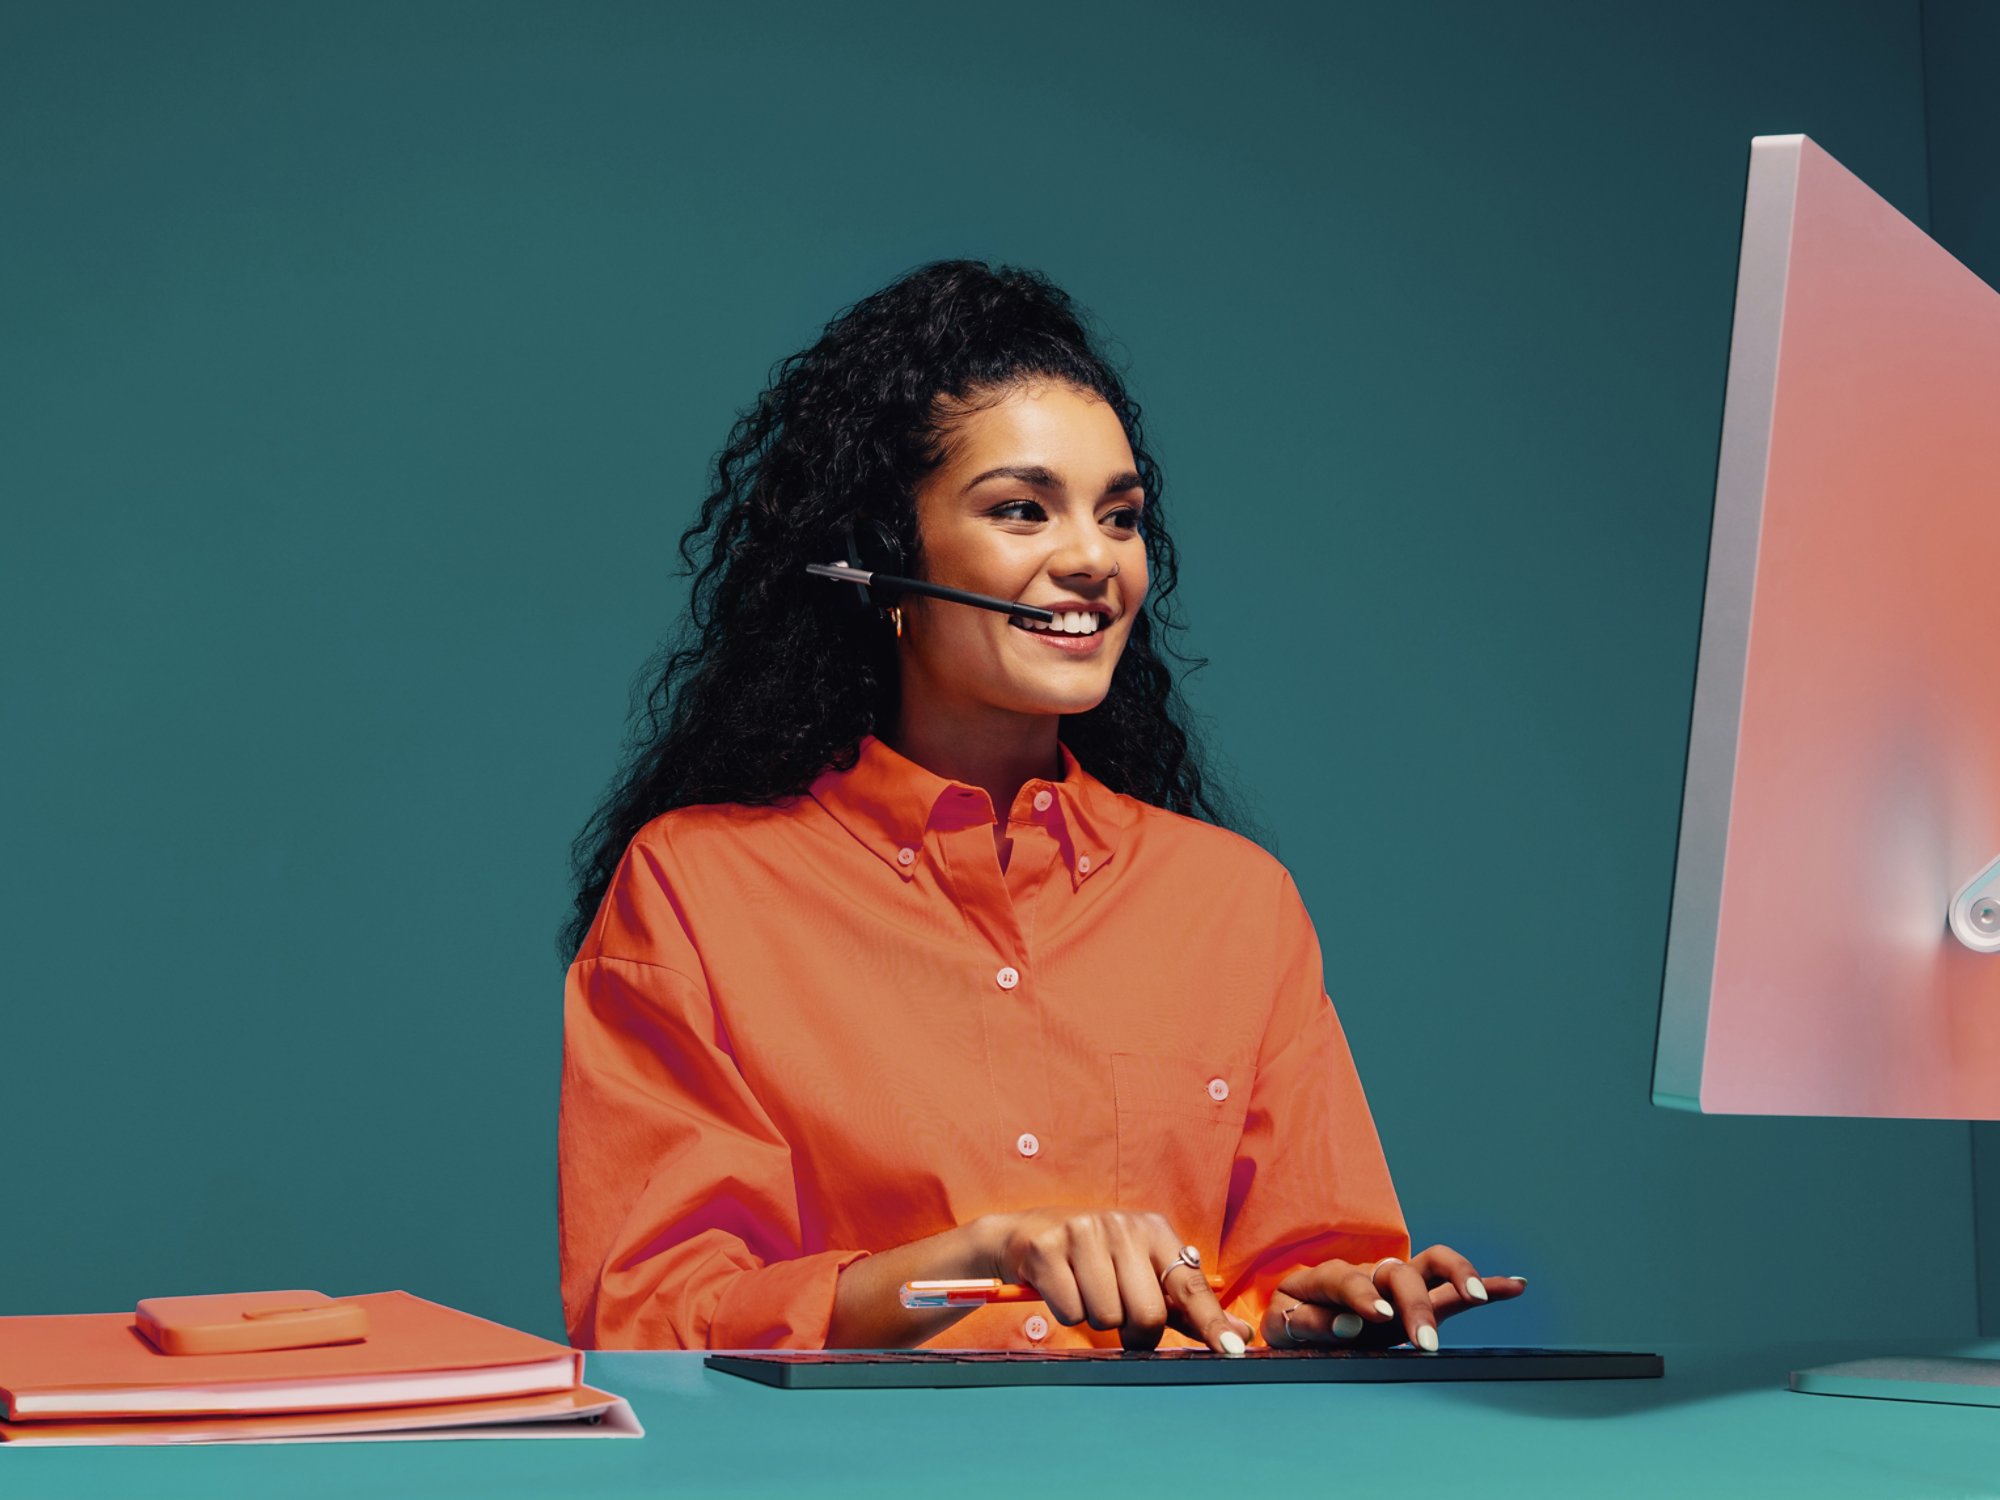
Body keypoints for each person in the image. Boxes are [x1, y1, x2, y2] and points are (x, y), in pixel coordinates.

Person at [557, 260, 1525, 1354]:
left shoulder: (1236, 903)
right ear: (880, 561)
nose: (1089, 561)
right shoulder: (696, 889)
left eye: (1118, 519)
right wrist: (976, 1265)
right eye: (1021, 510)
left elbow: (1270, 1288)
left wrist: (1327, 1304)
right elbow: (654, 1320)